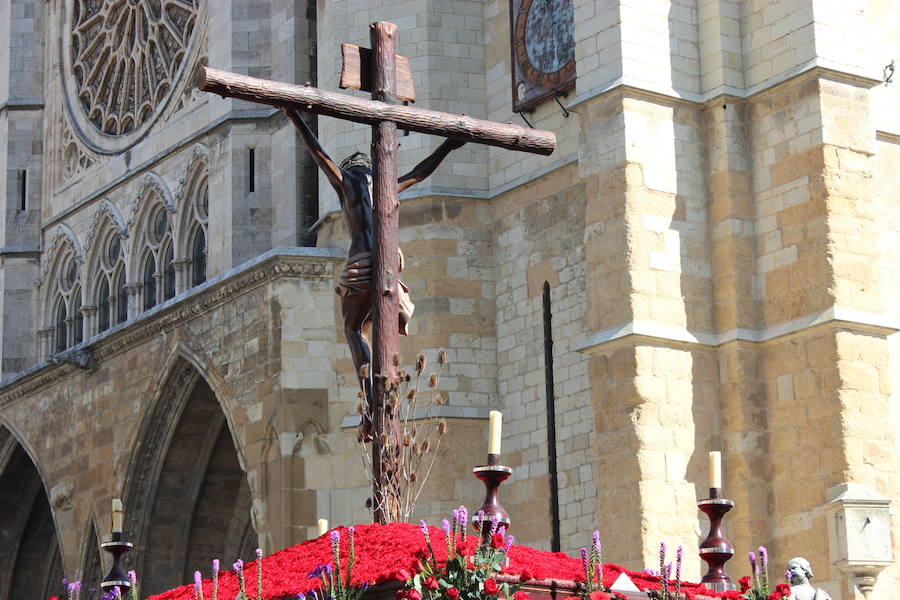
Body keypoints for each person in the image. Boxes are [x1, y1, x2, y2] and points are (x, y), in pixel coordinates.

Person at [285, 109, 464, 396]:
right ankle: (386, 390)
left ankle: (371, 398)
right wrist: (448, 145)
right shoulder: (385, 187)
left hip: (362, 264)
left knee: (354, 330)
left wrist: (294, 115)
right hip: (388, 265)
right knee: (373, 329)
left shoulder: (346, 183)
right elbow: (420, 173)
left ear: (349, 169)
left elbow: (318, 154)